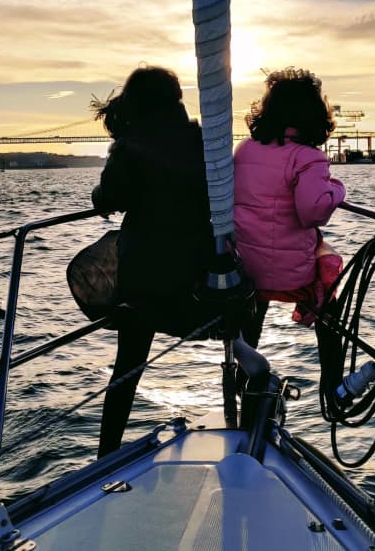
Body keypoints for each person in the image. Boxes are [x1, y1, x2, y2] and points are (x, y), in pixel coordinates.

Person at [90, 65, 212, 457]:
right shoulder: (203, 141)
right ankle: (244, 418)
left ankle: (106, 454)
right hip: (199, 281)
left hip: (145, 286)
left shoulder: (131, 147)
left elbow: (109, 197)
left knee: (127, 366)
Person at [233, 68, 347, 347]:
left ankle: (247, 376)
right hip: (291, 275)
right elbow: (313, 212)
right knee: (329, 301)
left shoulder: (245, 149)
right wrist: (337, 189)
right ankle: (333, 383)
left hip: (246, 268)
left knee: (254, 307)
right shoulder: (309, 157)